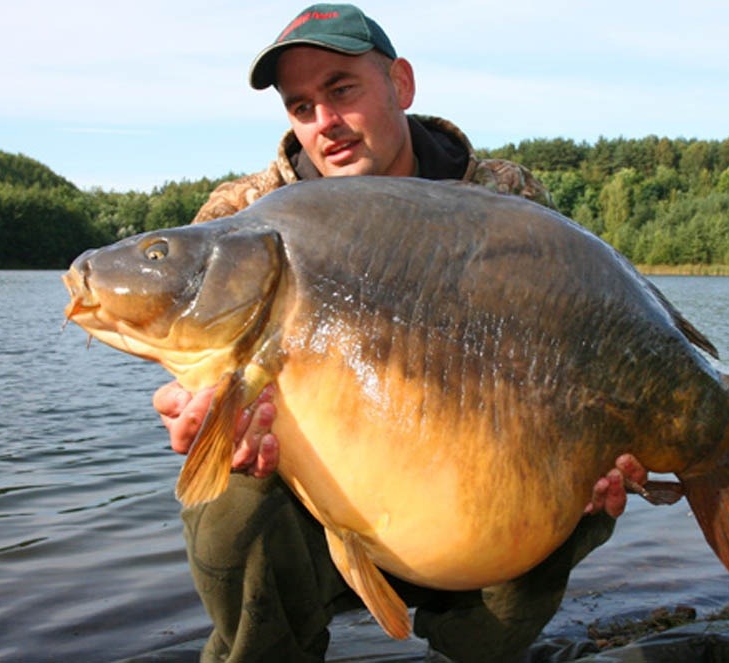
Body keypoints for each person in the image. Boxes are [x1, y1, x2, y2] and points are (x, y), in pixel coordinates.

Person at [152, 5, 646, 661]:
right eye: (300, 105)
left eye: (341, 89)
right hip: (317, 488)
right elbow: (198, 371)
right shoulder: (242, 216)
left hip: (468, 483)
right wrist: (196, 414)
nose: (323, 122)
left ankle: (482, 645)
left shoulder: (501, 197)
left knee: (571, 476)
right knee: (227, 486)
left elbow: (574, 343)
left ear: (401, 85)